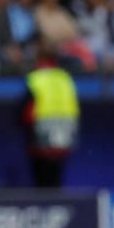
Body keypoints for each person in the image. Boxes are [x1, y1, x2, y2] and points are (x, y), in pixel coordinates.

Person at [24, 47, 79, 188]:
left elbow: (27, 108)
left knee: (43, 174)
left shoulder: (36, 77)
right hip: (66, 129)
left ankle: (47, 205)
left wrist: (25, 128)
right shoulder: (65, 78)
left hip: (43, 129)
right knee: (57, 171)